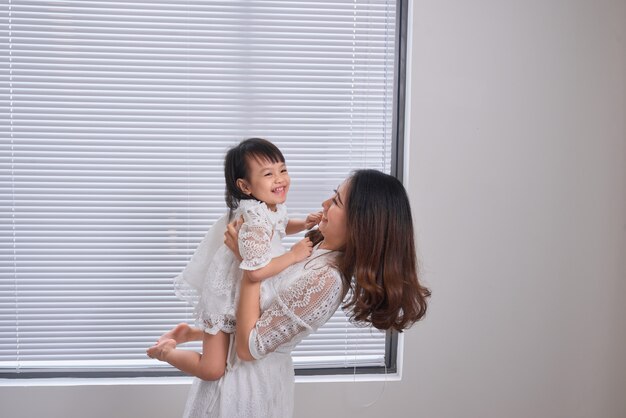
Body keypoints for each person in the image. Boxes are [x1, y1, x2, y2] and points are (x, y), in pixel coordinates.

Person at [152, 169, 431, 417]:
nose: (324, 204)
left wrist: (249, 264)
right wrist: (202, 332)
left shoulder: (327, 281)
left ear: (361, 224)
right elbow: (260, 307)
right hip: (229, 373)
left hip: (247, 387)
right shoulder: (315, 250)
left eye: (336, 201)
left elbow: (250, 347)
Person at [147, 138, 322, 380]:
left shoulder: (269, 206)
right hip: (225, 295)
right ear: (246, 186)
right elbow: (255, 272)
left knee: (238, 333)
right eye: (269, 174)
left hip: (240, 294)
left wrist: (303, 223)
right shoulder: (253, 220)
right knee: (212, 369)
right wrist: (294, 255)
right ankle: (167, 352)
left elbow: (280, 225)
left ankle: (190, 332)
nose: (280, 179)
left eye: (283, 170)